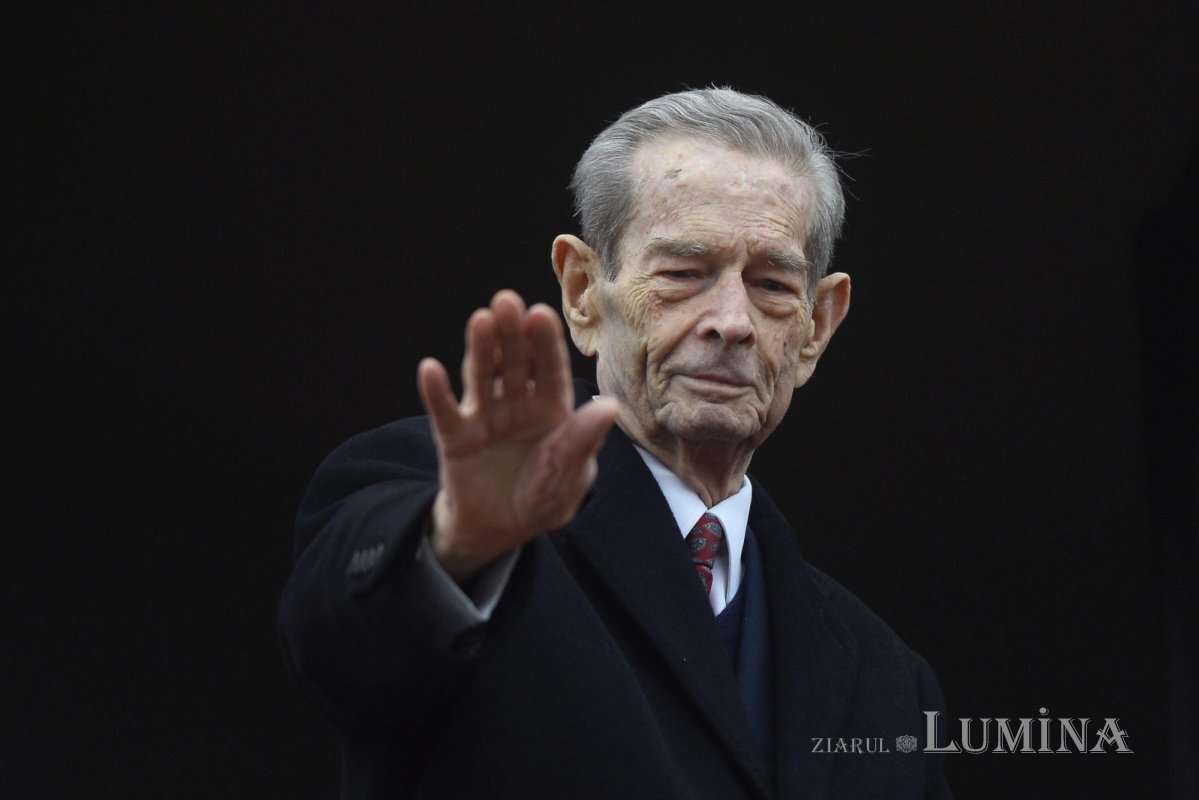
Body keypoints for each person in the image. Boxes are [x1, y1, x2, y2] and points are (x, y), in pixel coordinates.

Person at [278, 87, 952, 799]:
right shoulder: (445, 505)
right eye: (683, 274)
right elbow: (342, 649)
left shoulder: (887, 680)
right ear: (581, 292)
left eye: (771, 284)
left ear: (816, 326)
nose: (731, 321)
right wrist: (458, 547)